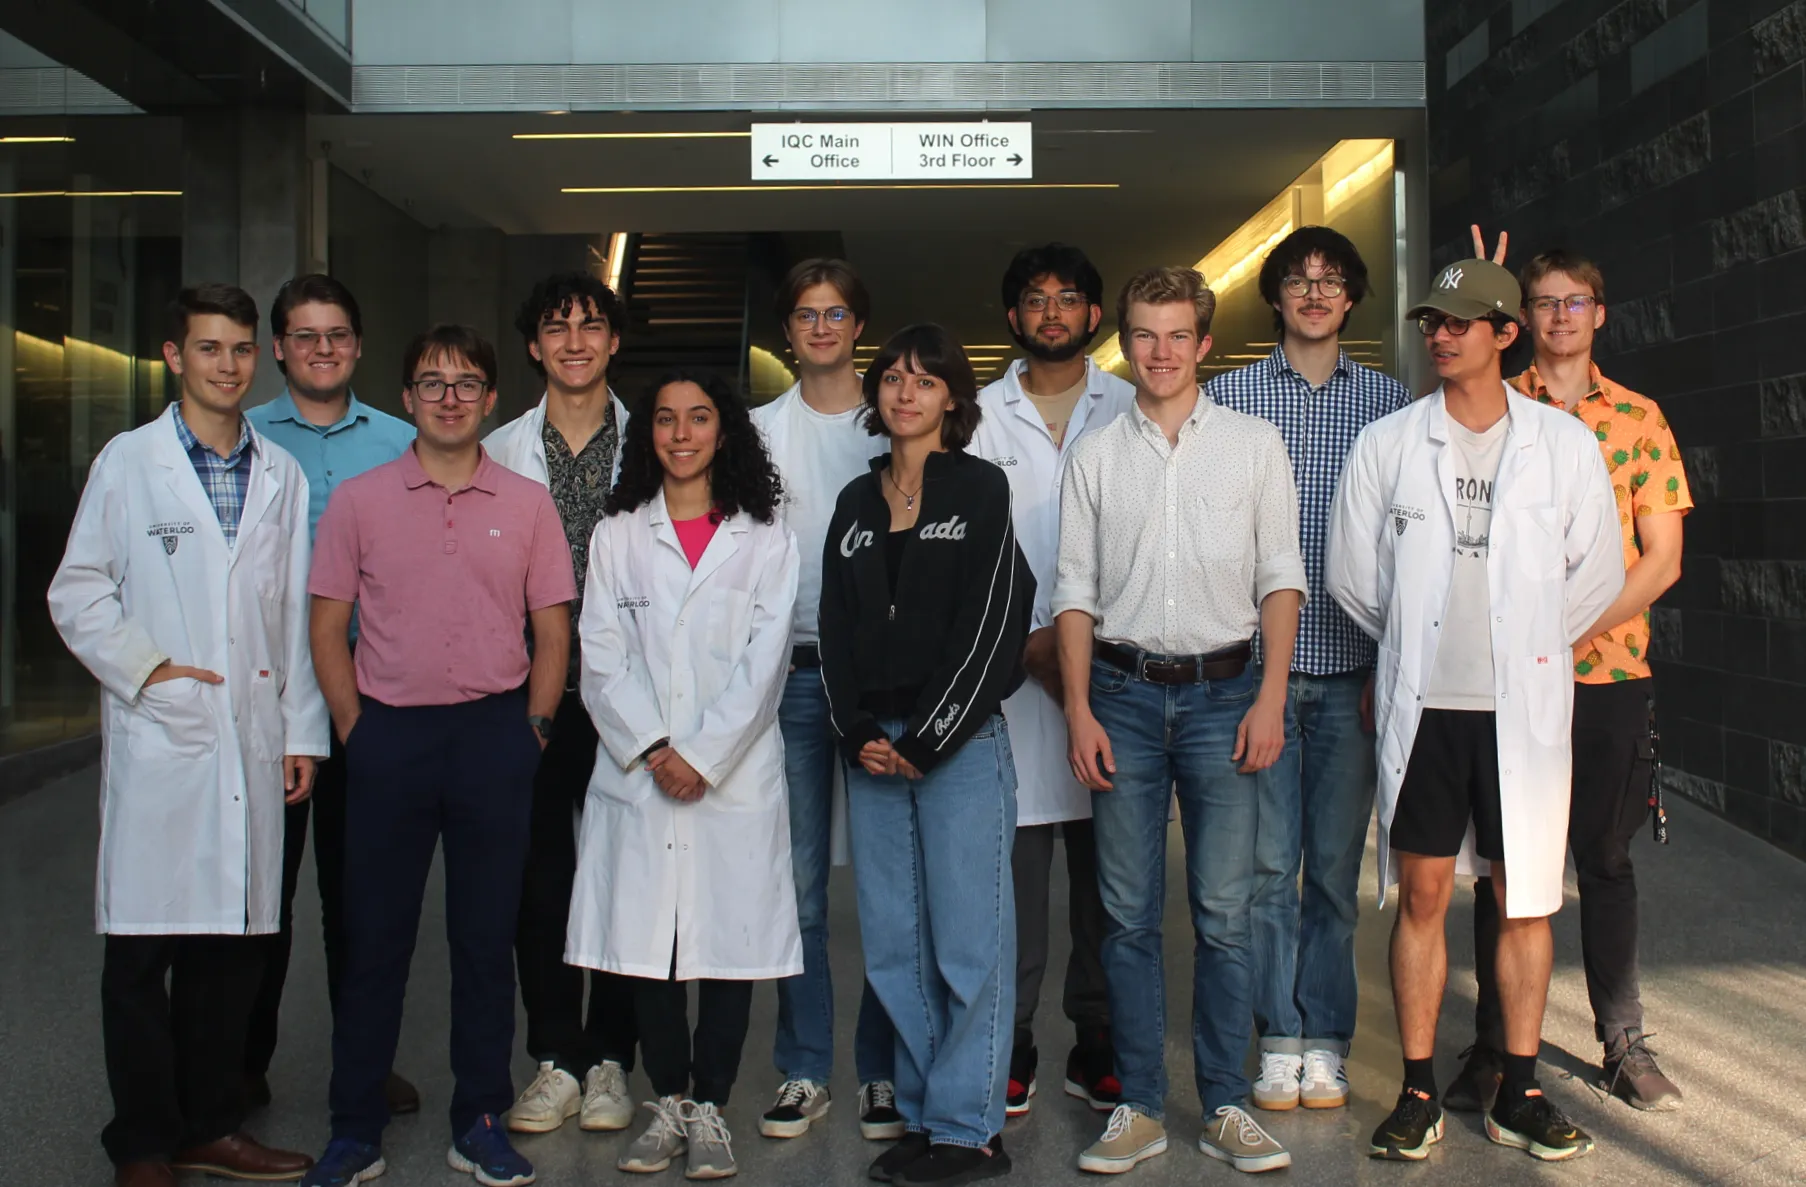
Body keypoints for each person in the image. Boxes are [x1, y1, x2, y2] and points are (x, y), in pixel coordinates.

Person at [1325, 257, 1623, 1163]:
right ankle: (1417, 1090)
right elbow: (1350, 575)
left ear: (1505, 333)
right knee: (1420, 895)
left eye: (1462, 321)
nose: (1442, 334)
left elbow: (1601, 572)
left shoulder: (1562, 445)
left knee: (1522, 897)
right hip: (1429, 713)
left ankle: (1519, 1088)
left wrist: (1524, 645)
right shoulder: (1387, 441)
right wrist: (1421, 641)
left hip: (1520, 714)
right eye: (1432, 321)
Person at [48, 284, 325, 1187]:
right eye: (210, 349)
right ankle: (140, 1142)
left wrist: (301, 731)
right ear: (174, 356)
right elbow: (78, 589)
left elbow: (289, 615)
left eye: (243, 349)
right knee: (141, 952)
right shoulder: (129, 463)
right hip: (163, 736)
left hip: (251, 734)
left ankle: (212, 1123)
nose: (229, 365)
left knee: (232, 948)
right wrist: (147, 669)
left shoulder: (278, 470)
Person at [300, 325, 575, 1187]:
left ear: (491, 399)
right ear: (408, 398)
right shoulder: (361, 499)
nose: (449, 397)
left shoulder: (528, 503)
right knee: (372, 937)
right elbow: (326, 623)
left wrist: (530, 728)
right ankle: (354, 1128)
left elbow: (553, 629)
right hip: (390, 737)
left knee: (486, 938)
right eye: (431, 382)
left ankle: (481, 1118)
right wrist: (356, 727)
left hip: (495, 735)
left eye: (466, 384)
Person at [1056, 266, 1305, 1177]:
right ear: (1124, 343)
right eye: (1144, 336)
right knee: (1125, 917)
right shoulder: (1093, 455)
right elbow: (1074, 594)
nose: (1160, 353)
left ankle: (1228, 1103)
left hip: (1225, 698)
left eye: (1177, 335)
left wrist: (1273, 695)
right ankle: (1141, 1108)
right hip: (1119, 696)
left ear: (1204, 344)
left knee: (1225, 914)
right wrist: (1079, 707)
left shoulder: (1253, 444)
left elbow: (1281, 576)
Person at [1443, 240, 1690, 1115]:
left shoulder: (1638, 419)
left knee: (1605, 857)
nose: (1558, 316)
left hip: (1607, 672)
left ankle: (1621, 1037)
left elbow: (1662, 557)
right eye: (1541, 302)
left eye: (1573, 302)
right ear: (1521, 319)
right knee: (1502, 864)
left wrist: (1569, 624)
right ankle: (1491, 1047)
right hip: (1503, 680)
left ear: (1598, 313)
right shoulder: (1488, 410)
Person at [567, 369, 802, 1181]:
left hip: (729, 776)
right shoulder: (617, 534)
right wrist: (656, 746)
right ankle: (666, 1100)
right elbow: (599, 656)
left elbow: (765, 665)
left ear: (724, 431)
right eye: (665, 419)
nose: (680, 432)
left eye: (698, 417)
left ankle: (710, 1105)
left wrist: (699, 757)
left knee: (728, 944)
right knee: (649, 944)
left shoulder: (766, 538)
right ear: (649, 434)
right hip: (640, 771)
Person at [820, 324, 1034, 1187]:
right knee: (895, 946)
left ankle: (968, 1127)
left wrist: (932, 738)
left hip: (960, 747)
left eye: (925, 381)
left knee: (970, 942)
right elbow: (832, 629)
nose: (906, 394)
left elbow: (994, 624)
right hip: (874, 751)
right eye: (893, 380)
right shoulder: (853, 503)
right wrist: (859, 732)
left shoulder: (981, 490)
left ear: (952, 398)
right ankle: (920, 1112)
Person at [1205, 227, 1410, 1112]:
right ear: (1276, 296)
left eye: (1331, 281)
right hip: (1259, 678)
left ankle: (1325, 1037)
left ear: (1353, 297)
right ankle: (1276, 1038)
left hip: (1354, 676)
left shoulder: (1393, 405)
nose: (1315, 294)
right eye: (1298, 280)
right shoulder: (1231, 399)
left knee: (1331, 871)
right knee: (1262, 872)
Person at [242, 274, 419, 1118]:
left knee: (362, 902)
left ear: (357, 346)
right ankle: (238, 1071)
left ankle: (364, 1065)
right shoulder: (242, 437)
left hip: (368, 701)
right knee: (256, 899)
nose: (322, 348)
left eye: (337, 334)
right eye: (304, 335)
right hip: (264, 702)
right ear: (278, 347)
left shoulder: (400, 440)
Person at [969, 243, 1132, 1119]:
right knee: (1014, 885)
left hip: (1116, 673)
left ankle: (1095, 1042)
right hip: (1011, 674)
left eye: (1070, 297)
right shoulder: (979, 415)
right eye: (1036, 300)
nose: (1054, 311)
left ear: (1095, 316)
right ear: (1013, 319)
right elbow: (963, 546)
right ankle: (1014, 1041)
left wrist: (1086, 652)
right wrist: (1027, 645)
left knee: (1108, 884)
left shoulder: (1135, 403)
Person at [485, 271, 641, 1136]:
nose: (575, 340)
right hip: (529, 694)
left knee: (621, 874)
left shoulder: (656, 442)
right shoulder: (501, 448)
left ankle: (613, 1056)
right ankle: (555, 1056)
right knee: (536, 879)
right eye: (556, 327)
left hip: (627, 698)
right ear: (535, 345)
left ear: (614, 341)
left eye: (591, 325)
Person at [749, 259, 901, 1143]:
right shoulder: (758, 432)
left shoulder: (891, 421)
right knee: (800, 885)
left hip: (880, 683)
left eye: (836, 312)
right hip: (792, 678)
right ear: (788, 330)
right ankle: (806, 1068)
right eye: (804, 313)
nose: (820, 327)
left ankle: (881, 1071)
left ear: (858, 327)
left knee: (884, 884)